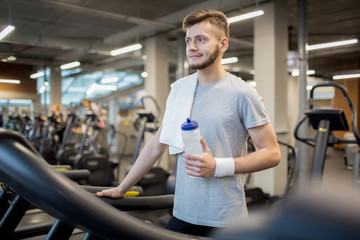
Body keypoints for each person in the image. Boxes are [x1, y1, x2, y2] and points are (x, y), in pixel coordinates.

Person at [97, 9, 281, 237]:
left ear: (223, 44)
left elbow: (272, 153)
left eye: (201, 39)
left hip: (225, 218)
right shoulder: (179, 90)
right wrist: (121, 188)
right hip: (183, 213)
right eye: (188, 41)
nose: (192, 47)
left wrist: (217, 166)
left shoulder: (242, 93)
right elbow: (157, 145)